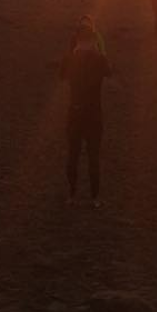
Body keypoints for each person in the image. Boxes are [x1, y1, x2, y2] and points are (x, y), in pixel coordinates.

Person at [59, 16, 112, 206]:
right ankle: (95, 198)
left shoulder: (69, 59)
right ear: (92, 40)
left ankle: (72, 195)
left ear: (77, 39)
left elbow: (61, 76)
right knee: (93, 156)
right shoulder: (100, 60)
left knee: (73, 155)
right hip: (94, 115)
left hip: (74, 113)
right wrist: (99, 51)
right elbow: (109, 71)